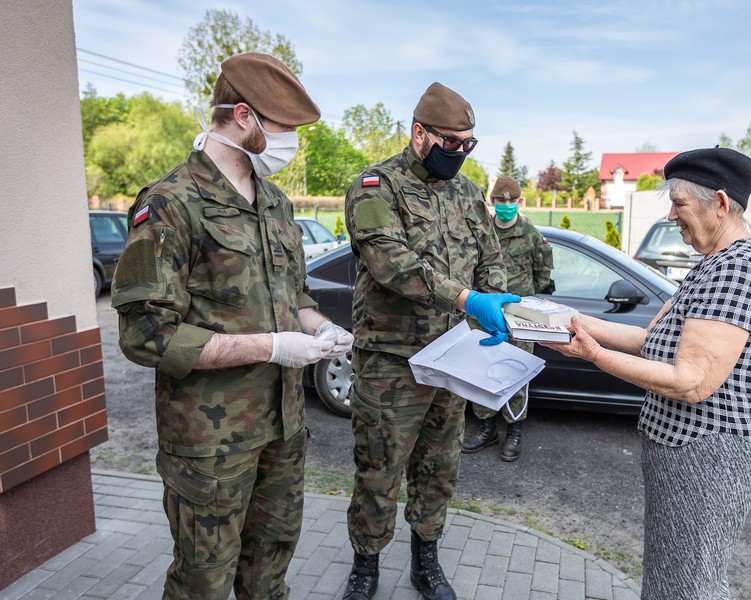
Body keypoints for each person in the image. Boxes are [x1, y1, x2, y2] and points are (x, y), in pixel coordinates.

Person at [111, 52, 353, 600]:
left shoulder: (274, 203)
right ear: (244, 116)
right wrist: (269, 347)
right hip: (211, 443)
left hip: (283, 430)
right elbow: (146, 334)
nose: (292, 142)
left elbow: (293, 296)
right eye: (285, 129)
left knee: (269, 577)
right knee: (205, 583)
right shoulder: (171, 203)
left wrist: (320, 329)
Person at [543, 147, 751, 600]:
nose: (672, 215)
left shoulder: (739, 269)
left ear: (722, 203)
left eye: (679, 204)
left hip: (710, 457)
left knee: (689, 585)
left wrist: (592, 355)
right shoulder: (712, 263)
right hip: (687, 454)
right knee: (673, 578)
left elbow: (691, 381)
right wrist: (573, 321)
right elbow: (649, 340)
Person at [341, 82, 519, 600]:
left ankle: (426, 561)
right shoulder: (376, 187)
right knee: (379, 468)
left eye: (469, 144)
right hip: (392, 360)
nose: (460, 153)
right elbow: (392, 264)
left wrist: (500, 308)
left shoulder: (467, 193)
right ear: (419, 133)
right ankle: (366, 567)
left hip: (455, 355)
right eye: (451, 142)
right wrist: (468, 300)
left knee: (439, 468)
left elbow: (490, 259)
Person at [461, 176, 553, 462]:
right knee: (482, 371)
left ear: (519, 202)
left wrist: (525, 298)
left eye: (511, 201)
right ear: (492, 201)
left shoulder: (530, 234)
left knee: (517, 373)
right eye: (500, 201)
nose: (505, 205)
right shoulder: (480, 232)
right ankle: (486, 427)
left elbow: (542, 273)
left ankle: (514, 429)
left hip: (518, 315)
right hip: (484, 314)